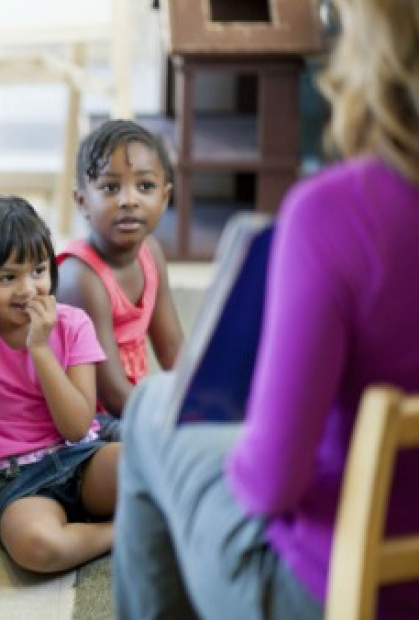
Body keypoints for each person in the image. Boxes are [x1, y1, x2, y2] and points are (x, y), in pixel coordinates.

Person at [114, 0, 419, 617]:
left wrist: (257, 422)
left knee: (150, 406)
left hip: (336, 588)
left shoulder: (338, 214)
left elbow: (269, 482)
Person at [0, 196, 118, 574]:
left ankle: (101, 521)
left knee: (148, 468)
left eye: (38, 270)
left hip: (81, 455)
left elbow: (78, 427)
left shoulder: (73, 323)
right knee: (38, 548)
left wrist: (41, 350)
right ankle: (122, 531)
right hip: (12, 479)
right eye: (7, 277)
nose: (28, 289)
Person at [56, 120, 183, 438]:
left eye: (145, 187)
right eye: (111, 188)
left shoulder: (150, 253)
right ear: (82, 201)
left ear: (165, 198)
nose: (129, 200)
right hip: (86, 421)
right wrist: (167, 420)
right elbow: (110, 390)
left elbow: (174, 350)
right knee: (164, 446)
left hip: (127, 406)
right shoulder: (80, 276)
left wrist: (202, 403)